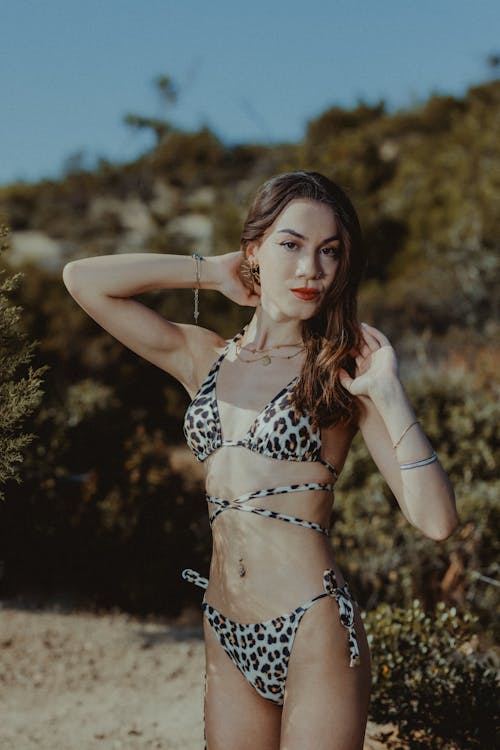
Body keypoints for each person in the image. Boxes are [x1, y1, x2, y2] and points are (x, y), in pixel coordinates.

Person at [63, 170, 459, 750]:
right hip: (226, 627)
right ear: (255, 251)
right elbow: (84, 280)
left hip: (313, 626)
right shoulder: (203, 357)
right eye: (291, 244)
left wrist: (391, 395)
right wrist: (207, 272)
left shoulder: (343, 373)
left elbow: (437, 521)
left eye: (330, 252)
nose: (311, 269)